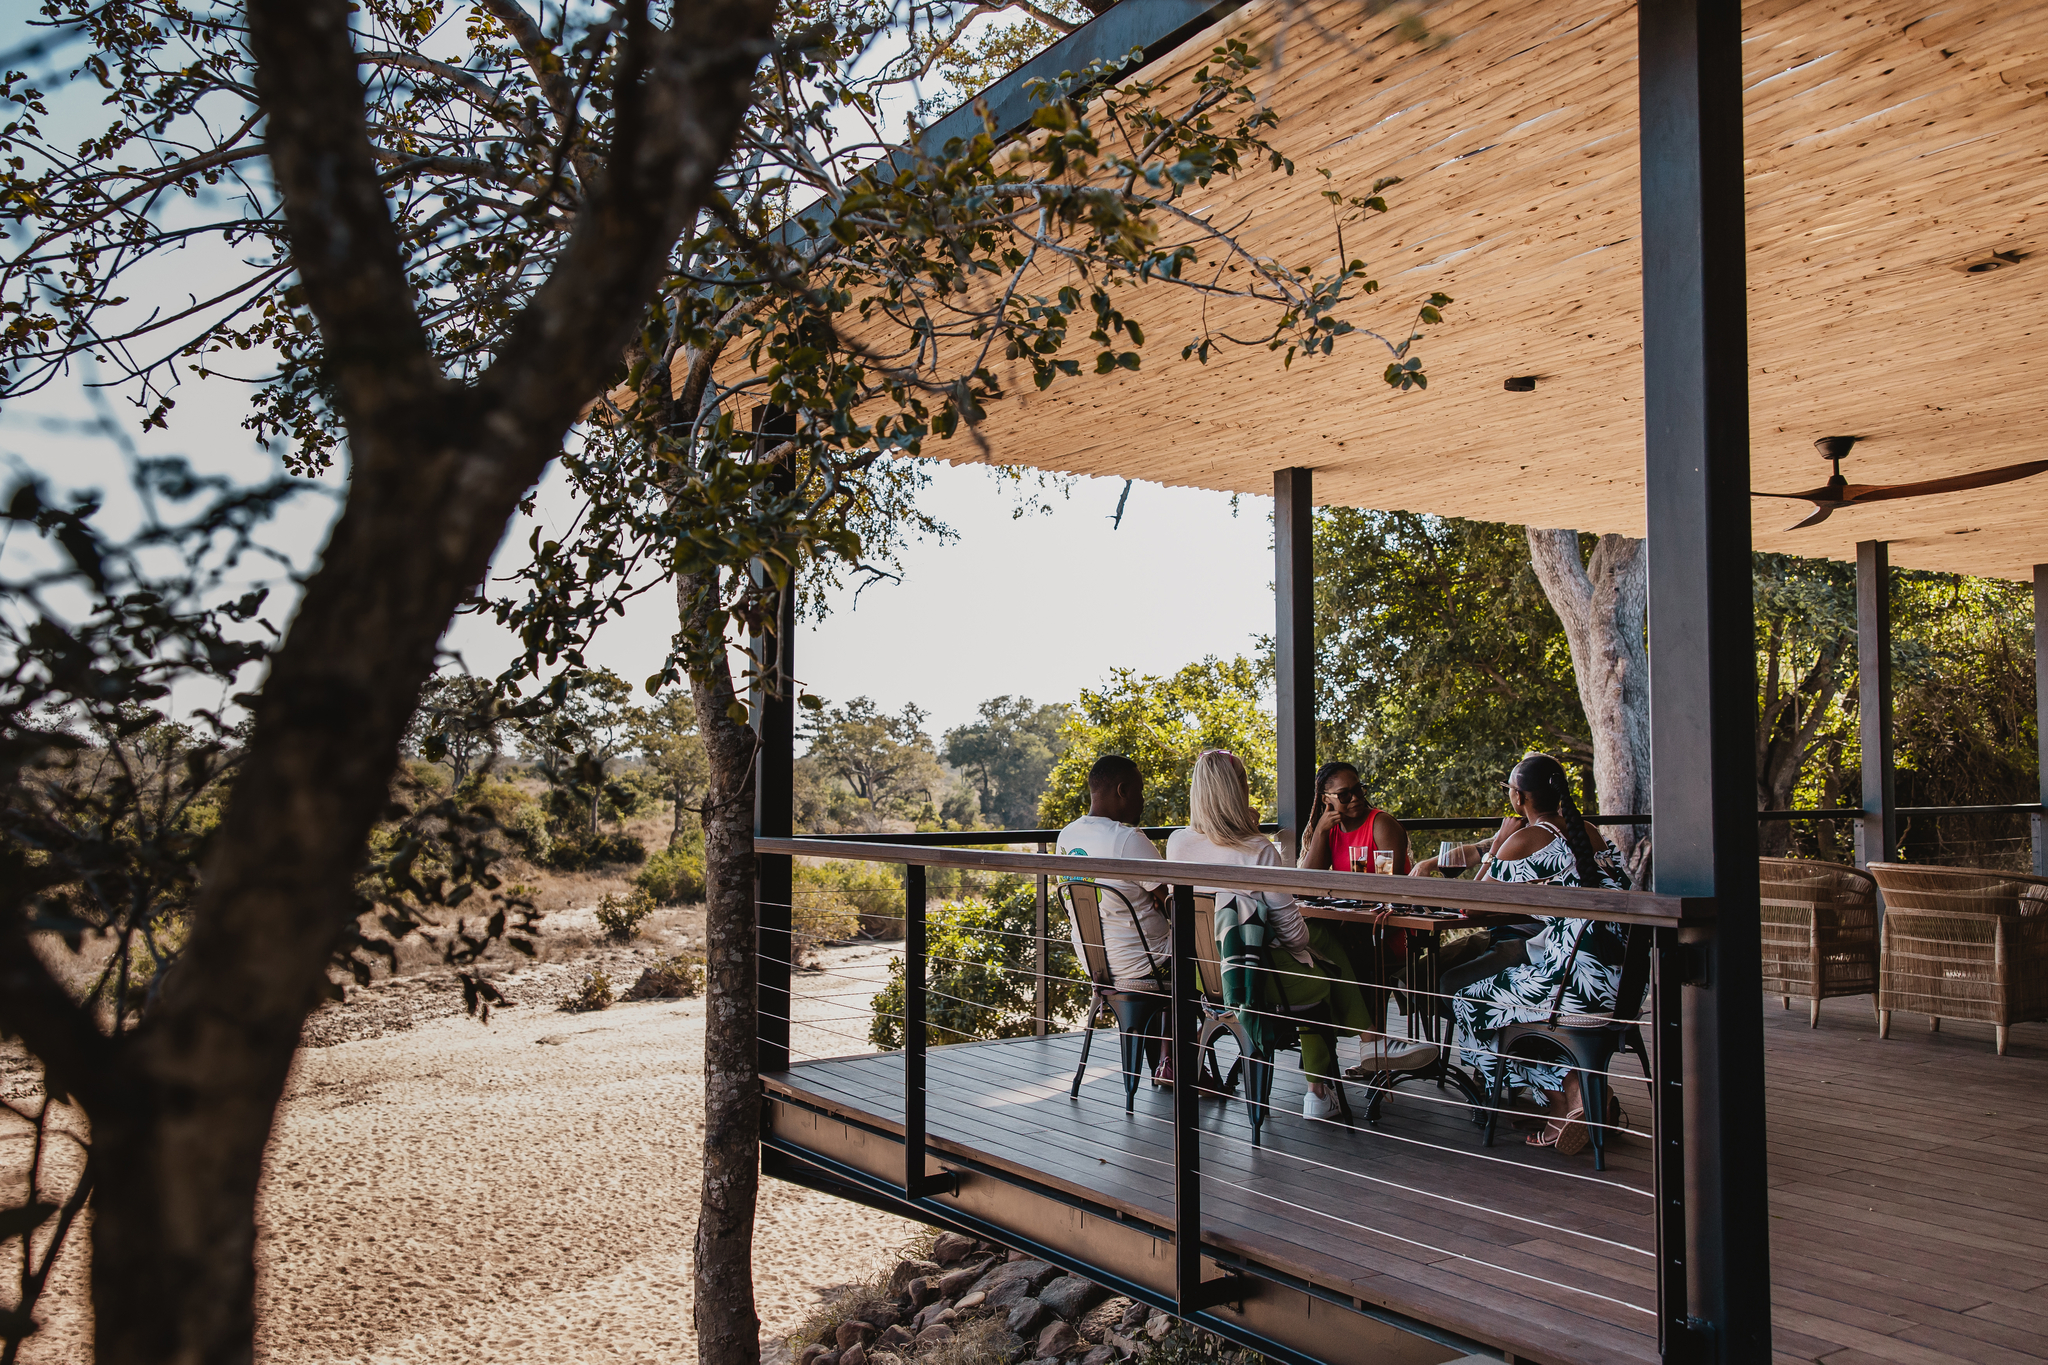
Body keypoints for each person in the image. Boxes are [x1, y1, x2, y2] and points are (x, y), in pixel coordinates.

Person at [1167, 750, 1373, 1120]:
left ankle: (1370, 1044)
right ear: (1237, 792)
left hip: (1207, 974)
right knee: (1319, 966)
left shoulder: (1177, 843)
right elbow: (1294, 937)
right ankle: (1324, 1085)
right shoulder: (1257, 850)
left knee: (1317, 949)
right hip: (1255, 980)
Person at [1439, 752, 1628, 1156]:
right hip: (1621, 980)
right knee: (1507, 1005)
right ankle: (1578, 1092)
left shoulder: (1526, 839)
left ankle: (1561, 1097)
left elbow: (1470, 904)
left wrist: (1498, 845)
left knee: (1469, 1001)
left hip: (1572, 983)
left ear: (1518, 796)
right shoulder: (1589, 831)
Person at [1057, 755, 1170, 1076]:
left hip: (1097, 964)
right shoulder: (1128, 839)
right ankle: (1173, 1062)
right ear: (1122, 790)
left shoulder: (1067, 836)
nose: (1143, 800)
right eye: (1140, 791)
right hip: (1147, 964)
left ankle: (1164, 1060)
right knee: (1202, 959)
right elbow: (1171, 900)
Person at [1298, 762, 1410, 875]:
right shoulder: (1331, 830)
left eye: (1357, 789)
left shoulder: (1381, 824)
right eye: (1344, 794)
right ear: (1326, 799)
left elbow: (1391, 880)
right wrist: (1320, 831)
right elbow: (1309, 878)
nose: (1355, 798)